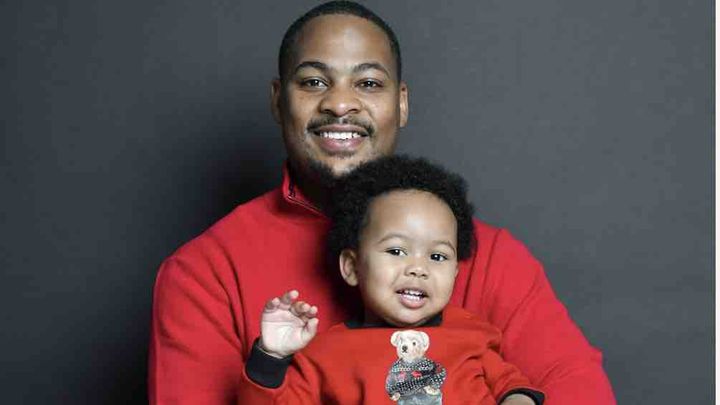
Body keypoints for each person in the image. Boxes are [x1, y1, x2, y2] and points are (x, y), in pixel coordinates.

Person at [148, 1, 616, 404]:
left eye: (369, 83)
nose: (340, 104)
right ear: (277, 101)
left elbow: (575, 389)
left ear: (402, 103)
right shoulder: (205, 274)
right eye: (313, 82)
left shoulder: (492, 257)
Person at [238, 156, 545, 404]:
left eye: (437, 256)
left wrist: (518, 399)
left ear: (454, 273)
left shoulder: (472, 333)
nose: (418, 268)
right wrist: (270, 357)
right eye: (397, 251)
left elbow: (511, 386)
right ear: (352, 267)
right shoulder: (323, 354)